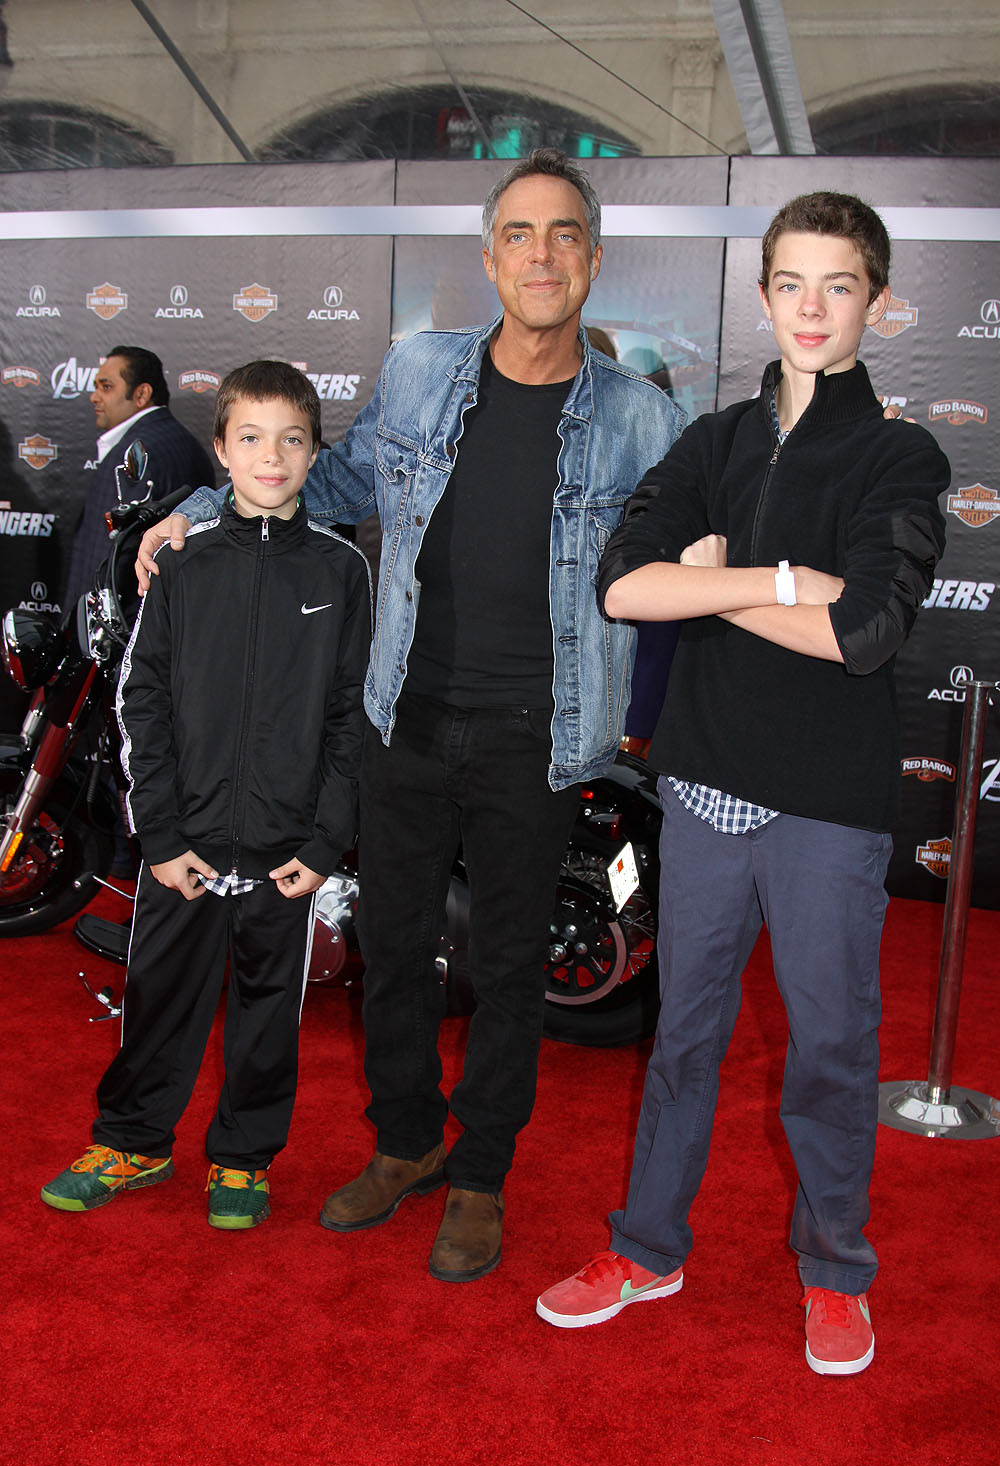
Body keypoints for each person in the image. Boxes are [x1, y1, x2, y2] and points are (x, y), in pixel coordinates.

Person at [134, 148, 687, 1280]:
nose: (541, 255)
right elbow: (331, 483)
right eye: (519, 234)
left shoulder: (645, 422)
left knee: (510, 970)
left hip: (537, 736)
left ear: (594, 259)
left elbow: (687, 563)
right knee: (393, 953)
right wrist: (197, 504)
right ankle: (404, 1144)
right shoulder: (423, 370)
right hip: (403, 719)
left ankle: (478, 1174)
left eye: (564, 235)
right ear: (490, 258)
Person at [535, 191, 951, 1374]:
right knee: (682, 1038)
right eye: (790, 284)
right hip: (706, 788)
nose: (811, 309)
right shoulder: (711, 442)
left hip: (826, 804)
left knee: (828, 1050)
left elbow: (864, 632)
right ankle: (647, 1246)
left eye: (838, 285)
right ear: (762, 293)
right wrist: (779, 583)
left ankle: (835, 1271)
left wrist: (712, 582)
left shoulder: (900, 455)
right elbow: (626, 585)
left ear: (874, 300)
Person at [41, 361, 370, 1230]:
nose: (272, 457)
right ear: (220, 450)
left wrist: (322, 843)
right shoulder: (182, 560)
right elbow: (138, 700)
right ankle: (132, 1142)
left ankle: (244, 1158)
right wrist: (158, 835)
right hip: (180, 845)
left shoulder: (341, 571)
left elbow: (353, 719)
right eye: (251, 438)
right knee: (158, 998)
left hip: (285, 853)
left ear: (315, 453)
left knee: (269, 1015)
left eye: (292, 440)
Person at [62, 345, 215, 612]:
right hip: (175, 614)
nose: (94, 397)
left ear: (142, 394)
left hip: (126, 622)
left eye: (106, 387)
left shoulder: (133, 453)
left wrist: (82, 625)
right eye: (96, 387)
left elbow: (107, 559)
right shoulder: (185, 443)